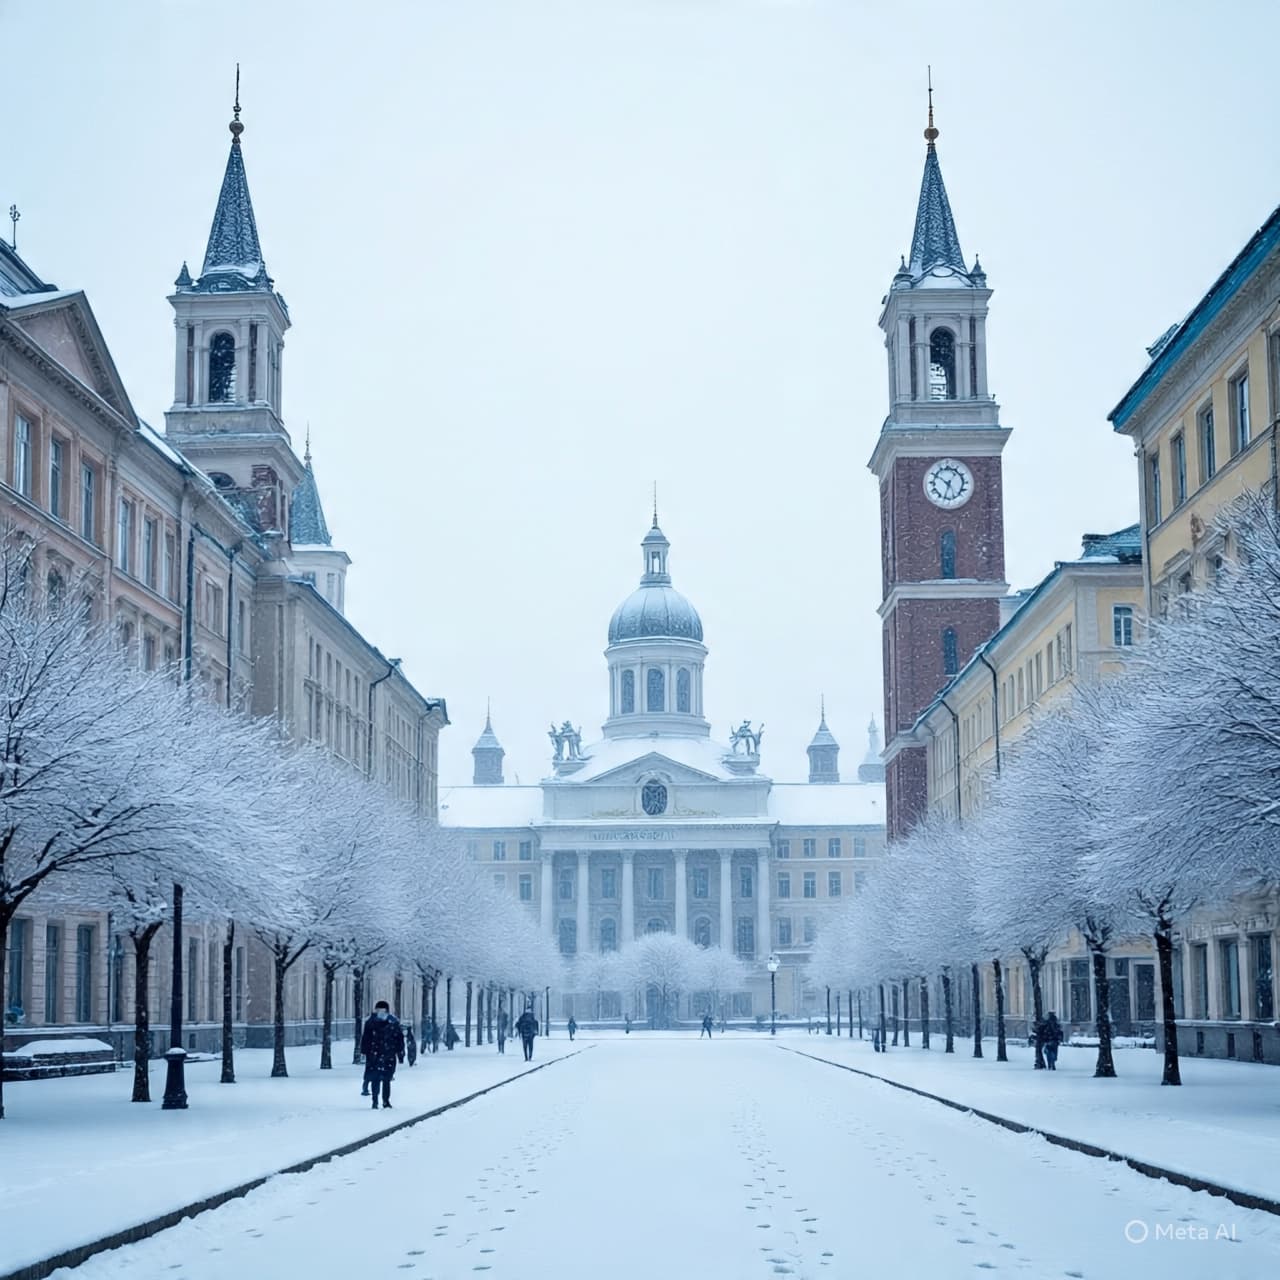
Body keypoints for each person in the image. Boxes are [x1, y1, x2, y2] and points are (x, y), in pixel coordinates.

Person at [360, 1000, 405, 1110]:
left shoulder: (393, 1023)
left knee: (386, 1079)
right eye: (378, 1010)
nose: (380, 1012)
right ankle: (375, 1101)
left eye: (382, 1010)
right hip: (374, 1055)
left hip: (388, 1055)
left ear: (387, 1011)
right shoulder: (370, 1023)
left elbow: (399, 1038)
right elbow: (365, 1038)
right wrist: (364, 1052)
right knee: (375, 1079)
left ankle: (386, 1101)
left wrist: (400, 1052)